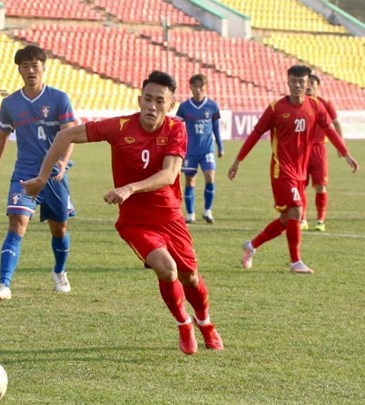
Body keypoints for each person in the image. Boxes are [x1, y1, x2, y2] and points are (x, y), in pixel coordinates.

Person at [22, 71, 223, 355]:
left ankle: (206, 324)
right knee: (167, 270)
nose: (152, 106)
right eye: (148, 99)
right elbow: (66, 135)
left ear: (171, 105)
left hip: (170, 218)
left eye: (160, 101)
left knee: (190, 277)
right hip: (135, 222)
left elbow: (169, 175)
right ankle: (184, 323)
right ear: (139, 99)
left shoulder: (176, 129)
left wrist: (129, 188)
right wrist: (43, 177)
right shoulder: (119, 127)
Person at [228, 65, 358, 274]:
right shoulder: (276, 108)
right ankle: (295, 261)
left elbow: (330, 130)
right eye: (294, 81)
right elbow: (255, 134)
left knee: (287, 218)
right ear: (288, 82)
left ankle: (251, 246)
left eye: (302, 81)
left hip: (300, 170)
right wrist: (238, 160)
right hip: (281, 170)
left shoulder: (315, 106)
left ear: (308, 84)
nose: (298, 85)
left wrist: (346, 153)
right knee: (297, 211)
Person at [0, 45, 76, 301]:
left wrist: (63, 163)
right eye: (25, 66)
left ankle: (59, 271)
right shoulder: (10, 104)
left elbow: (70, 134)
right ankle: (3, 284)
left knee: (59, 229)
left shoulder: (59, 98)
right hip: (24, 173)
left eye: (35, 65)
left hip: (54, 176)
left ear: (44, 68)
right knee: (16, 223)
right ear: (19, 70)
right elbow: (1, 136)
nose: (31, 70)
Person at [176, 74, 223, 224]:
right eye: (195, 87)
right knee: (189, 181)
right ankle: (190, 214)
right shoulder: (184, 107)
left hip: (207, 150)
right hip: (190, 151)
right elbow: (177, 128)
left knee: (210, 177)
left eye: (201, 87)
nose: (198, 90)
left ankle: (208, 211)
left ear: (205, 88)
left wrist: (220, 147)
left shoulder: (212, 106)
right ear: (190, 87)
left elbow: (216, 129)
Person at [300, 74, 343, 232]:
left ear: (318, 86)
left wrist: (340, 145)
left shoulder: (326, 103)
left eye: (312, 83)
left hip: (319, 149)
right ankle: (302, 219)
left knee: (321, 186)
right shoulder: (299, 104)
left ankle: (320, 220)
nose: (309, 86)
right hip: (301, 151)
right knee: (300, 185)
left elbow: (336, 123)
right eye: (307, 83)